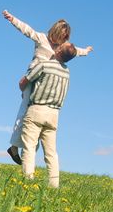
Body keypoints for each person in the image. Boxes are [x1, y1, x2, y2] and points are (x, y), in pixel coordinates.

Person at [2, 10, 93, 164]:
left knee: (36, 123)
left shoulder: (63, 46)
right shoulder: (41, 38)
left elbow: (75, 51)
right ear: (54, 32)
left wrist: (86, 51)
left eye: (63, 39)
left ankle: (24, 153)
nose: (60, 41)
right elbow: (26, 29)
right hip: (32, 79)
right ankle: (14, 148)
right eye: (59, 37)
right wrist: (12, 19)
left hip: (44, 84)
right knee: (24, 113)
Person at [20, 42, 77, 188]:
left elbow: (24, 81)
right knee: (51, 153)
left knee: (29, 147)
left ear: (58, 51)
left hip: (37, 109)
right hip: (54, 114)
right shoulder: (67, 72)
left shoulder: (45, 65)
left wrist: (23, 87)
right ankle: (54, 185)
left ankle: (27, 181)